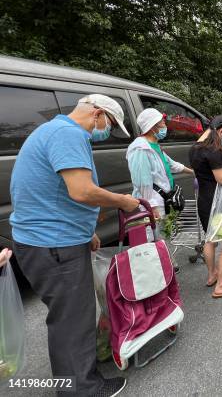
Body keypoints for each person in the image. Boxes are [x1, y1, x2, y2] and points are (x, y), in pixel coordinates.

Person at [10, 94, 139, 396]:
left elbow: (54, 193)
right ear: (97, 114)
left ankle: (75, 379)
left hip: (52, 238)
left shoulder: (52, 131)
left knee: (69, 315)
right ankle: (82, 389)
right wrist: (123, 201)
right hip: (52, 244)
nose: (106, 130)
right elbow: (81, 191)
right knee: (73, 319)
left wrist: (86, 231)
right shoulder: (68, 134)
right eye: (109, 123)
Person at [126, 108, 194, 256]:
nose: (165, 125)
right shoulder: (140, 149)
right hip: (152, 203)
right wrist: (152, 206)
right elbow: (142, 181)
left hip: (164, 200)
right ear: (152, 127)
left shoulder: (155, 146)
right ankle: (158, 269)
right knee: (152, 240)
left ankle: (166, 264)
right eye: (162, 122)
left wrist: (194, 172)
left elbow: (171, 164)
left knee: (164, 235)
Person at [189, 115, 222, 298]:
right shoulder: (213, 150)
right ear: (220, 131)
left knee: (210, 239)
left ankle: (212, 275)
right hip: (217, 204)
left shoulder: (194, 148)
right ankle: (221, 285)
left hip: (203, 200)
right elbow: (221, 179)